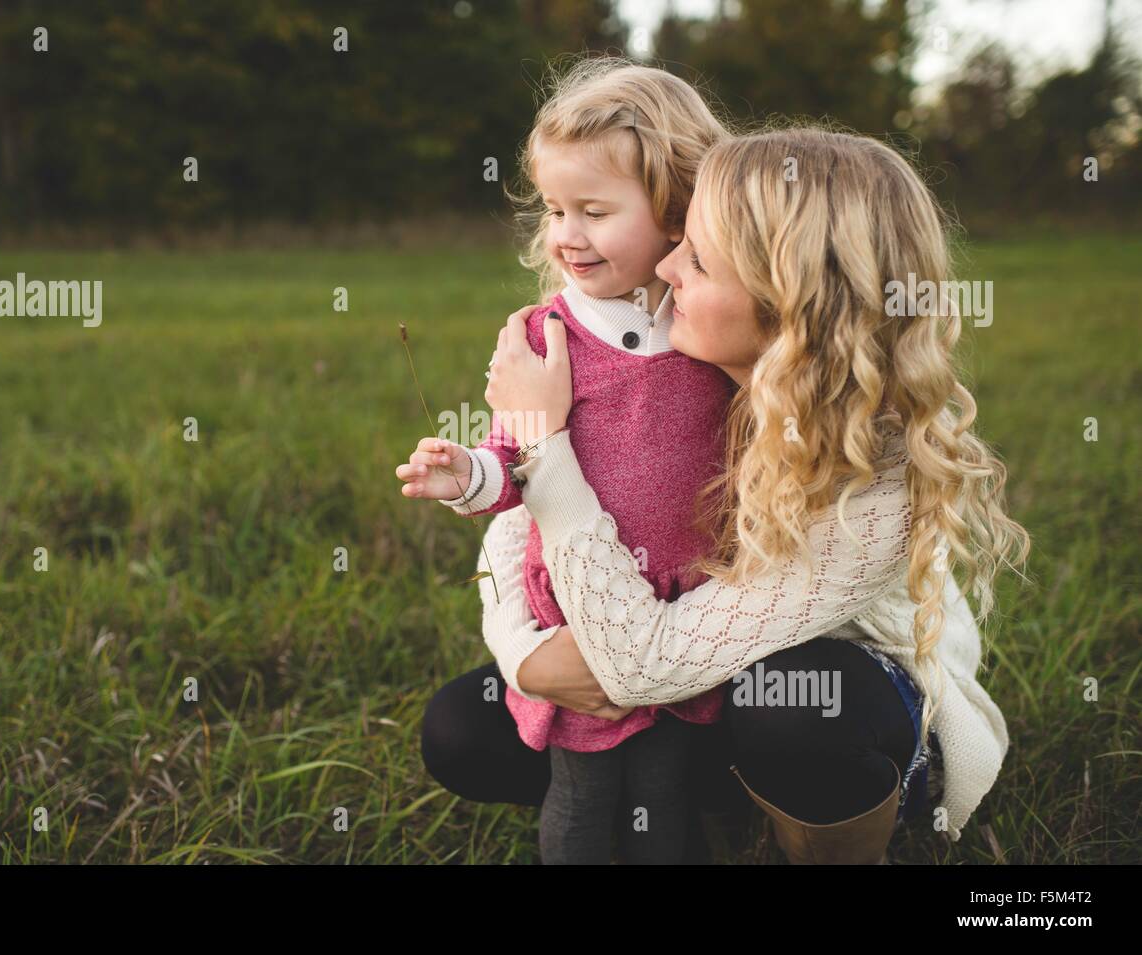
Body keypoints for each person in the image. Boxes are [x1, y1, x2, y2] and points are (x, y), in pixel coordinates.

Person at [423, 127, 1030, 864]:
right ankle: (696, 804)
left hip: (840, 706)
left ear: (789, 306)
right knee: (464, 725)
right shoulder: (688, 371)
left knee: (790, 703)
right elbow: (517, 532)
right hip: (687, 681)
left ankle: (833, 829)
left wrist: (543, 441)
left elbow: (643, 665)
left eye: (700, 258)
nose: (668, 263)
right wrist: (523, 655)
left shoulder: (876, 486)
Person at [396, 56, 735, 864]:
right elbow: (512, 460)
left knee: (665, 790)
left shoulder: (713, 326)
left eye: (593, 210)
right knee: (583, 794)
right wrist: (469, 476)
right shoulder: (548, 336)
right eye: (553, 209)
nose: (565, 235)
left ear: (677, 209)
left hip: (685, 614)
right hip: (585, 614)